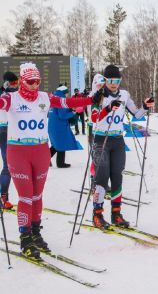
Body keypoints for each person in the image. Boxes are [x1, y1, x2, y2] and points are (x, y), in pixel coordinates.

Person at [0, 62, 99, 260]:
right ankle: (25, 238)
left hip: (40, 151)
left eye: (37, 81)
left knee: (37, 195)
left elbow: (67, 103)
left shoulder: (44, 97)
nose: (35, 84)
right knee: (26, 196)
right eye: (30, 81)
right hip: (18, 151)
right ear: (22, 80)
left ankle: (35, 232)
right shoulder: (11, 98)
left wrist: (90, 99)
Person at [91, 65, 154, 229]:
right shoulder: (98, 95)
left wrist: (145, 106)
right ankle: (97, 214)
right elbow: (93, 118)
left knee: (117, 177)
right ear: (105, 80)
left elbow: (137, 114)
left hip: (118, 141)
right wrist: (108, 109)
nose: (114, 84)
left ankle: (116, 214)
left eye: (117, 81)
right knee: (102, 179)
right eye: (111, 81)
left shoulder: (124, 95)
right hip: (101, 140)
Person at [48, 85, 79, 168]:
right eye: (67, 93)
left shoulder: (54, 99)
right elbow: (62, 115)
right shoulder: (61, 101)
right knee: (61, 143)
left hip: (53, 126)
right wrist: (73, 112)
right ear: (64, 93)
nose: (67, 95)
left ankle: (44, 160)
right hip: (59, 127)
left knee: (55, 145)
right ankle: (60, 163)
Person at [0, 71, 18, 209]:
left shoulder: (16, 94)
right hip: (4, 130)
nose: (15, 85)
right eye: (13, 83)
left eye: (16, 83)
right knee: (7, 166)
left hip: (10, 131)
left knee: (8, 166)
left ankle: (3, 197)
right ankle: (3, 197)